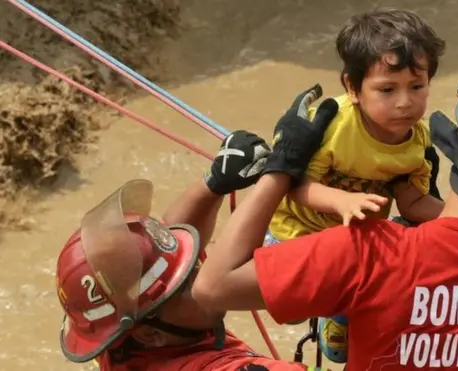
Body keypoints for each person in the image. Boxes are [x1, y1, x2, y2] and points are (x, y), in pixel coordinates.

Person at [191, 17, 458, 370]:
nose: (403, 102)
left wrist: (280, 167)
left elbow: (211, 289)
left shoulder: (368, 253)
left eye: (415, 87)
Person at [53, 87, 340, 370]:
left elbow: (168, 244)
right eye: (187, 284)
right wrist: (282, 167)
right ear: (151, 334)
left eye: (191, 268)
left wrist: (213, 184)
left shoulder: (123, 336)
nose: (204, 271)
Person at [264, 9, 446, 363]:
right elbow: (296, 186)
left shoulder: (417, 141)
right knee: (290, 310)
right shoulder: (333, 124)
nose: (405, 102)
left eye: (417, 87)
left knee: (339, 349)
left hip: (353, 242)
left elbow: (412, 204)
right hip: (296, 229)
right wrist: (342, 202)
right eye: (387, 89)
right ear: (353, 87)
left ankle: (340, 314)